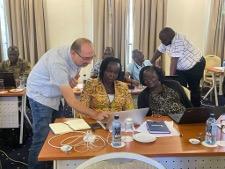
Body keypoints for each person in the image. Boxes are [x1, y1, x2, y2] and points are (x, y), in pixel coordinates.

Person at [26, 38, 109, 169]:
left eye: (91, 57)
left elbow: (76, 71)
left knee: (57, 131)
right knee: (41, 137)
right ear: (73, 53)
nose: (88, 62)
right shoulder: (57, 63)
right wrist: (96, 114)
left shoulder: (77, 56)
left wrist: (71, 80)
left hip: (54, 94)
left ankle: (51, 163)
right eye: (85, 58)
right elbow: (71, 101)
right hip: (40, 95)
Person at [151, 27, 205, 107]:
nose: (162, 42)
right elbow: (159, 50)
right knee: (179, 87)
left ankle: (196, 109)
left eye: (164, 40)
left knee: (194, 88)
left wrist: (170, 79)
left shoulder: (178, 41)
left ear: (171, 37)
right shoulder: (166, 41)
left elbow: (174, 61)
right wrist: (151, 61)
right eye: (161, 40)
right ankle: (183, 108)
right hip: (181, 69)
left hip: (195, 65)